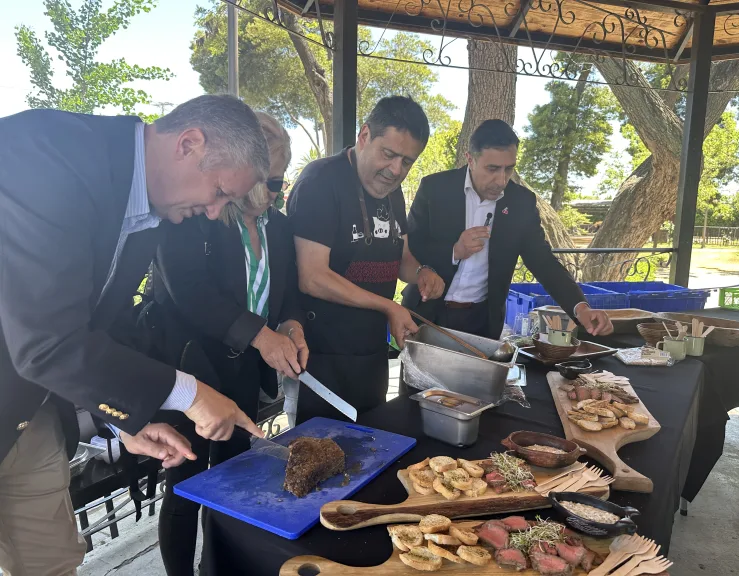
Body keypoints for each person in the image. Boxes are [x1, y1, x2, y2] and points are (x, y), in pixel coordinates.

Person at [0, 95, 267, 576]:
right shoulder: (45, 154)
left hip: (30, 418)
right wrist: (192, 394)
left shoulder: (149, 211)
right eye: (221, 191)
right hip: (21, 382)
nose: (214, 212)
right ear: (189, 143)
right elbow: (47, 342)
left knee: (53, 564)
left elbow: (103, 325)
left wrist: (123, 419)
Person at [151, 112, 307, 576]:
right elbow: (189, 293)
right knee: (185, 485)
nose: (274, 193)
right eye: (266, 182)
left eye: (279, 181)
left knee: (235, 477)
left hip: (243, 371)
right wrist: (263, 336)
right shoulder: (197, 214)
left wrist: (293, 327)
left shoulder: (276, 227)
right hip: (188, 372)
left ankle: (218, 567)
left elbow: (290, 293)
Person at [288, 96, 445, 423]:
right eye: (388, 154)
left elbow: (400, 257)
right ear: (363, 137)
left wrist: (422, 272)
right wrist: (389, 306)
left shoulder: (393, 192)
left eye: (407, 162)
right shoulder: (321, 181)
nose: (395, 170)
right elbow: (312, 276)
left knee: (373, 447)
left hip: (371, 355)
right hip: (321, 356)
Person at [403, 119, 613, 339]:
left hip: (483, 322)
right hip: (425, 315)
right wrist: (454, 251)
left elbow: (543, 261)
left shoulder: (521, 203)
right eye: (492, 169)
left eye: (509, 168)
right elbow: (410, 251)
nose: (501, 180)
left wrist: (581, 308)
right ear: (470, 159)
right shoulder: (435, 189)